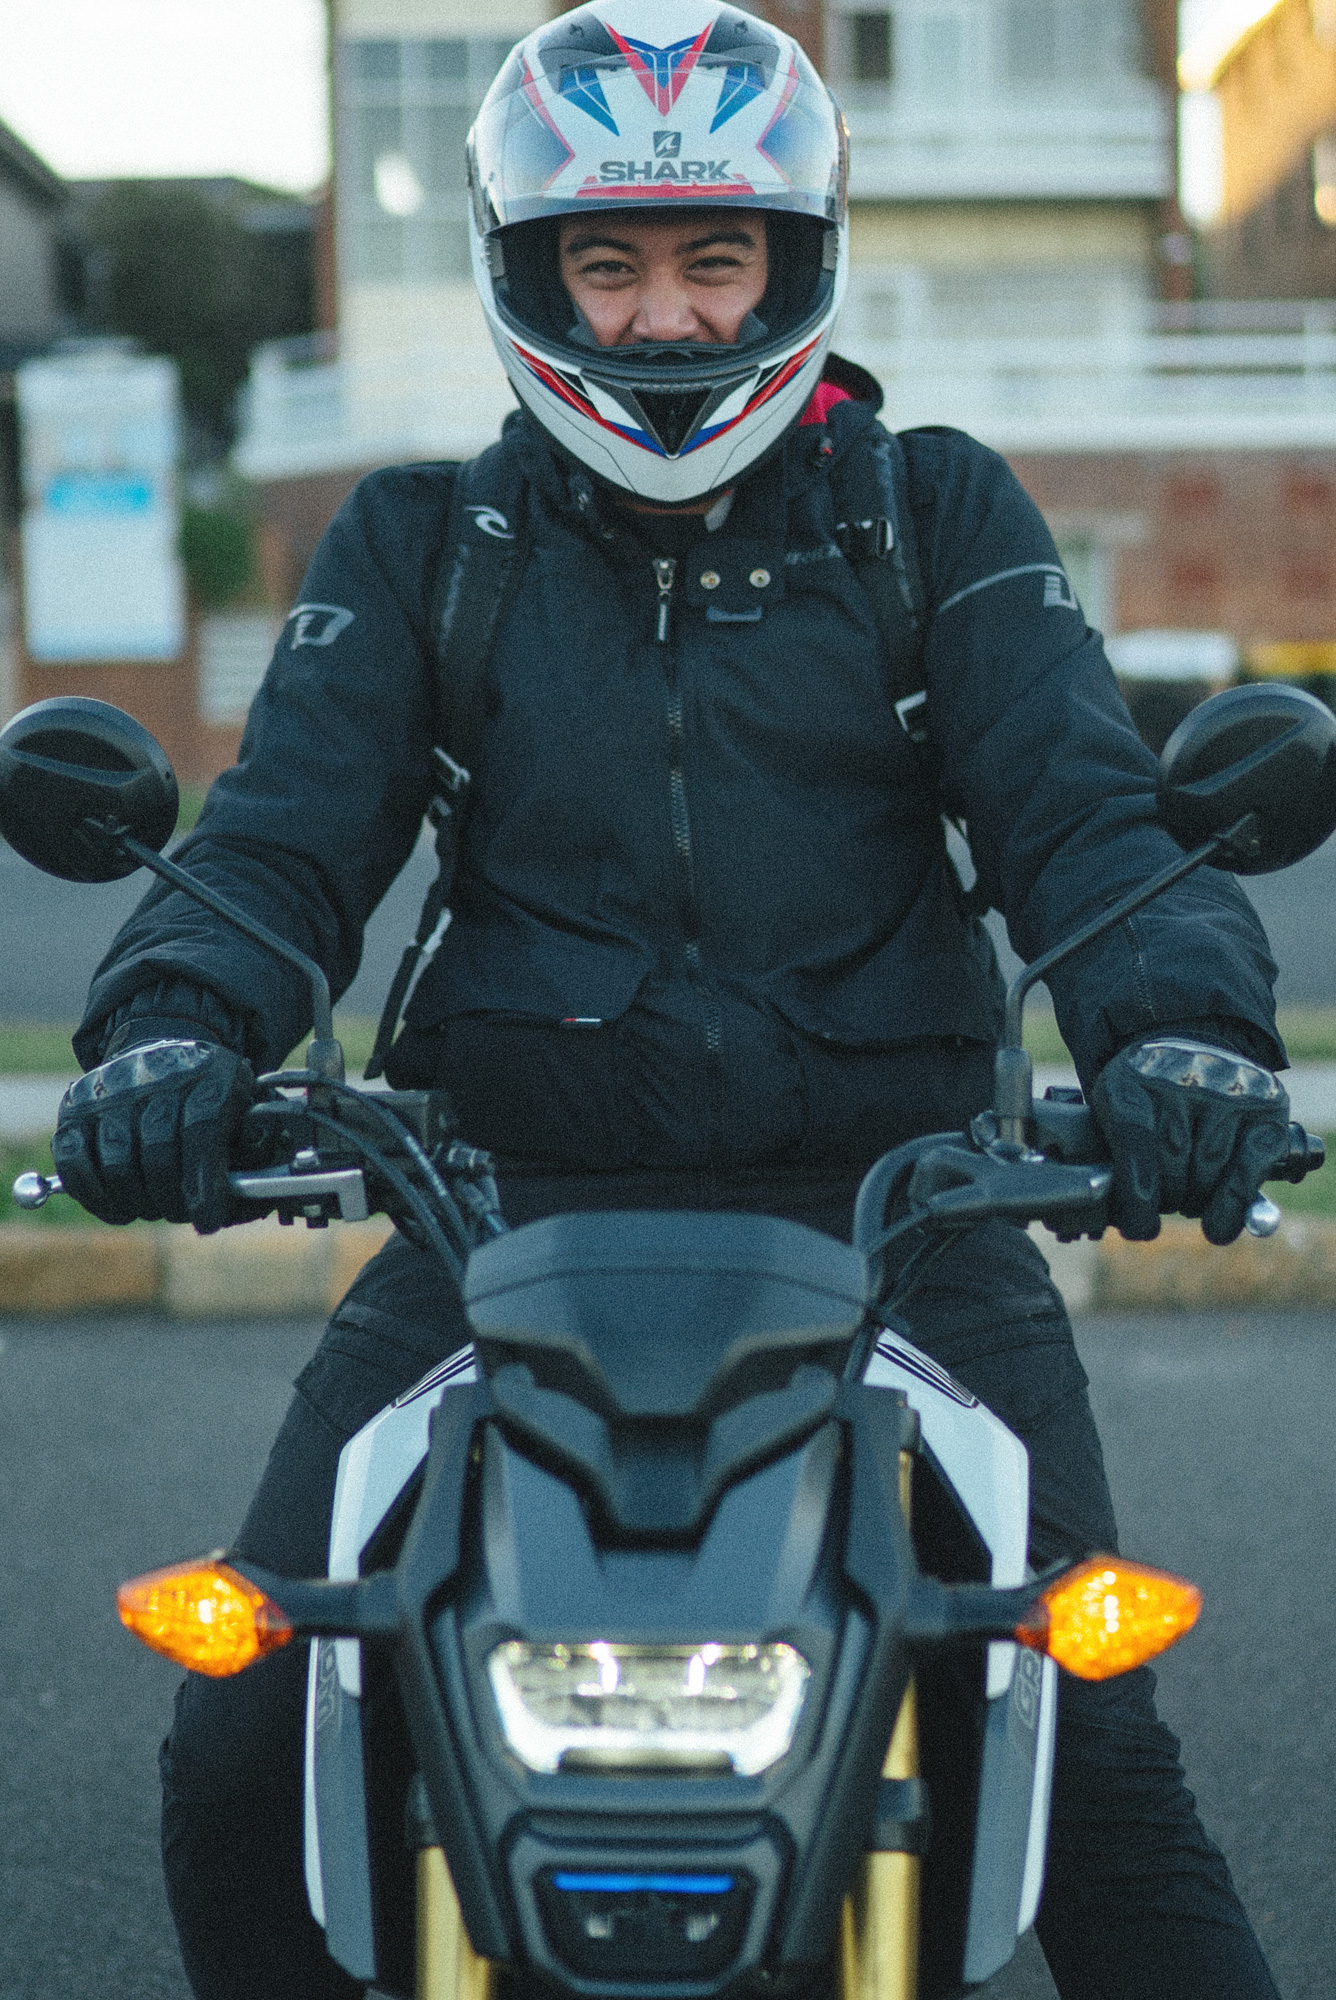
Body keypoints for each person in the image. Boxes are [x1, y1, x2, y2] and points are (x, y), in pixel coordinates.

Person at [56, 6, 1291, 1996]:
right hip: (503, 1223)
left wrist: (1183, 1042)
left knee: (1087, 1762)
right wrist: (170, 1033)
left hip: (905, 1220)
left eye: (712, 257)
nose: (658, 317)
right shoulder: (425, 542)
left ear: (793, 263)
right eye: (606, 264)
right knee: (249, 1739)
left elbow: (1084, 815)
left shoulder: (930, 513)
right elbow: (282, 838)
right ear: (529, 271)